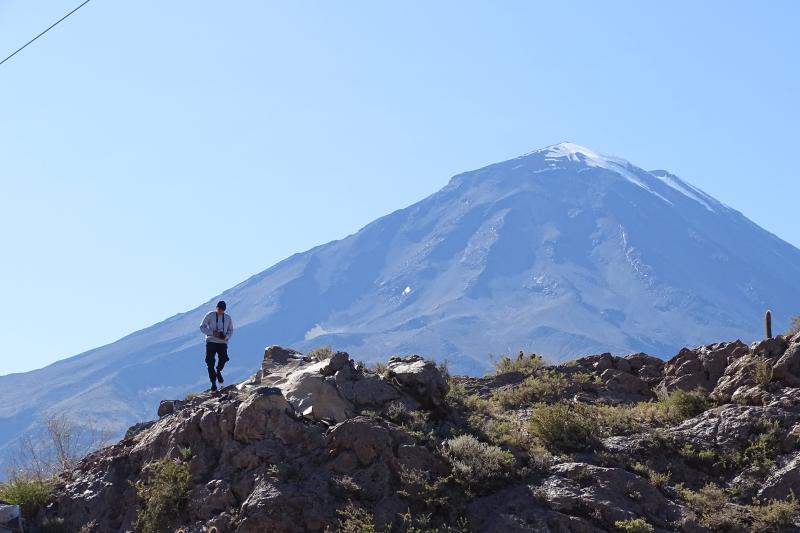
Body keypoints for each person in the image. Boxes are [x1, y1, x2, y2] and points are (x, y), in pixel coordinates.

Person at [199, 300, 233, 391]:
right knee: (210, 363)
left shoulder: (227, 318)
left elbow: (231, 330)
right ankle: (213, 383)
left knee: (224, 358)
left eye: (222, 310)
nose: (220, 311)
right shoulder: (210, 315)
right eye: (219, 309)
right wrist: (212, 333)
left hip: (222, 343)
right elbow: (202, 326)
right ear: (216, 308)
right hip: (211, 342)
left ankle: (218, 371)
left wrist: (226, 337)